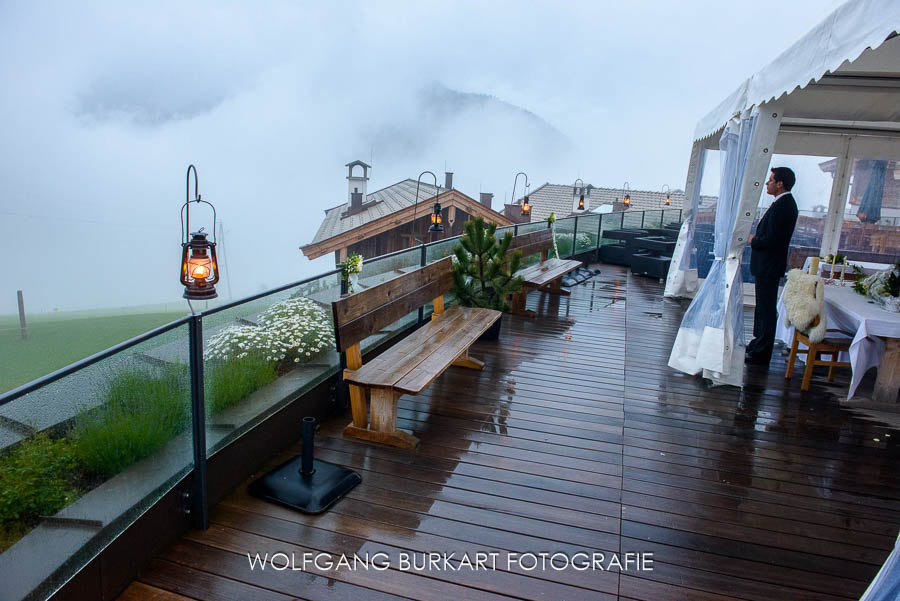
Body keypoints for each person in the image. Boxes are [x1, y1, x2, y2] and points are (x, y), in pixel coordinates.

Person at [745, 167, 799, 366]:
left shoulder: (784, 206)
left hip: (769, 264)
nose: (767, 183)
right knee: (762, 307)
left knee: (766, 309)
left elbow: (772, 240)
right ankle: (757, 344)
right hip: (767, 265)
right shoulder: (782, 204)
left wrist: (753, 240)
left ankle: (761, 350)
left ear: (780, 184)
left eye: (770, 180)